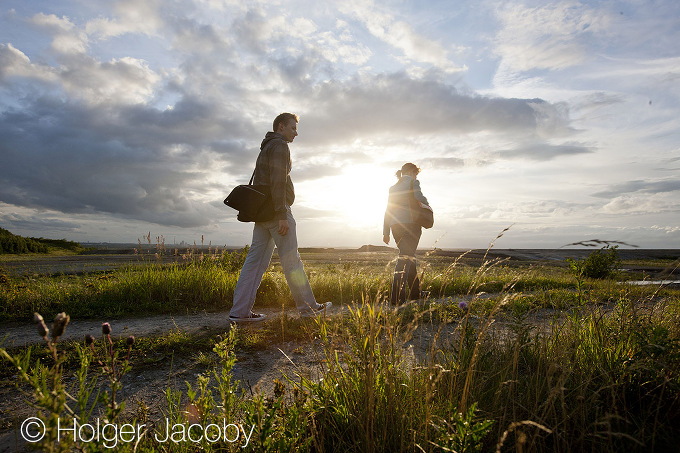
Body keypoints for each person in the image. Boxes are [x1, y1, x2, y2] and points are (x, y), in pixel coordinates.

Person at [228, 113, 331, 322]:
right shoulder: (280, 146)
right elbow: (278, 182)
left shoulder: (265, 146)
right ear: (281, 127)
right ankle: (309, 309)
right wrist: (282, 214)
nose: (296, 132)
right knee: (292, 261)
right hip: (277, 212)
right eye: (293, 128)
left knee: (254, 263)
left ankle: (239, 312)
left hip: (262, 214)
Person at [382, 163, 429, 304]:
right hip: (411, 225)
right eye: (416, 173)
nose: (416, 176)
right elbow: (420, 197)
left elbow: (388, 210)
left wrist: (386, 232)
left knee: (409, 258)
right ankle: (396, 298)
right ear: (410, 172)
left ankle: (416, 293)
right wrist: (429, 206)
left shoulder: (393, 188)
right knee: (404, 258)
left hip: (395, 227)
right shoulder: (414, 182)